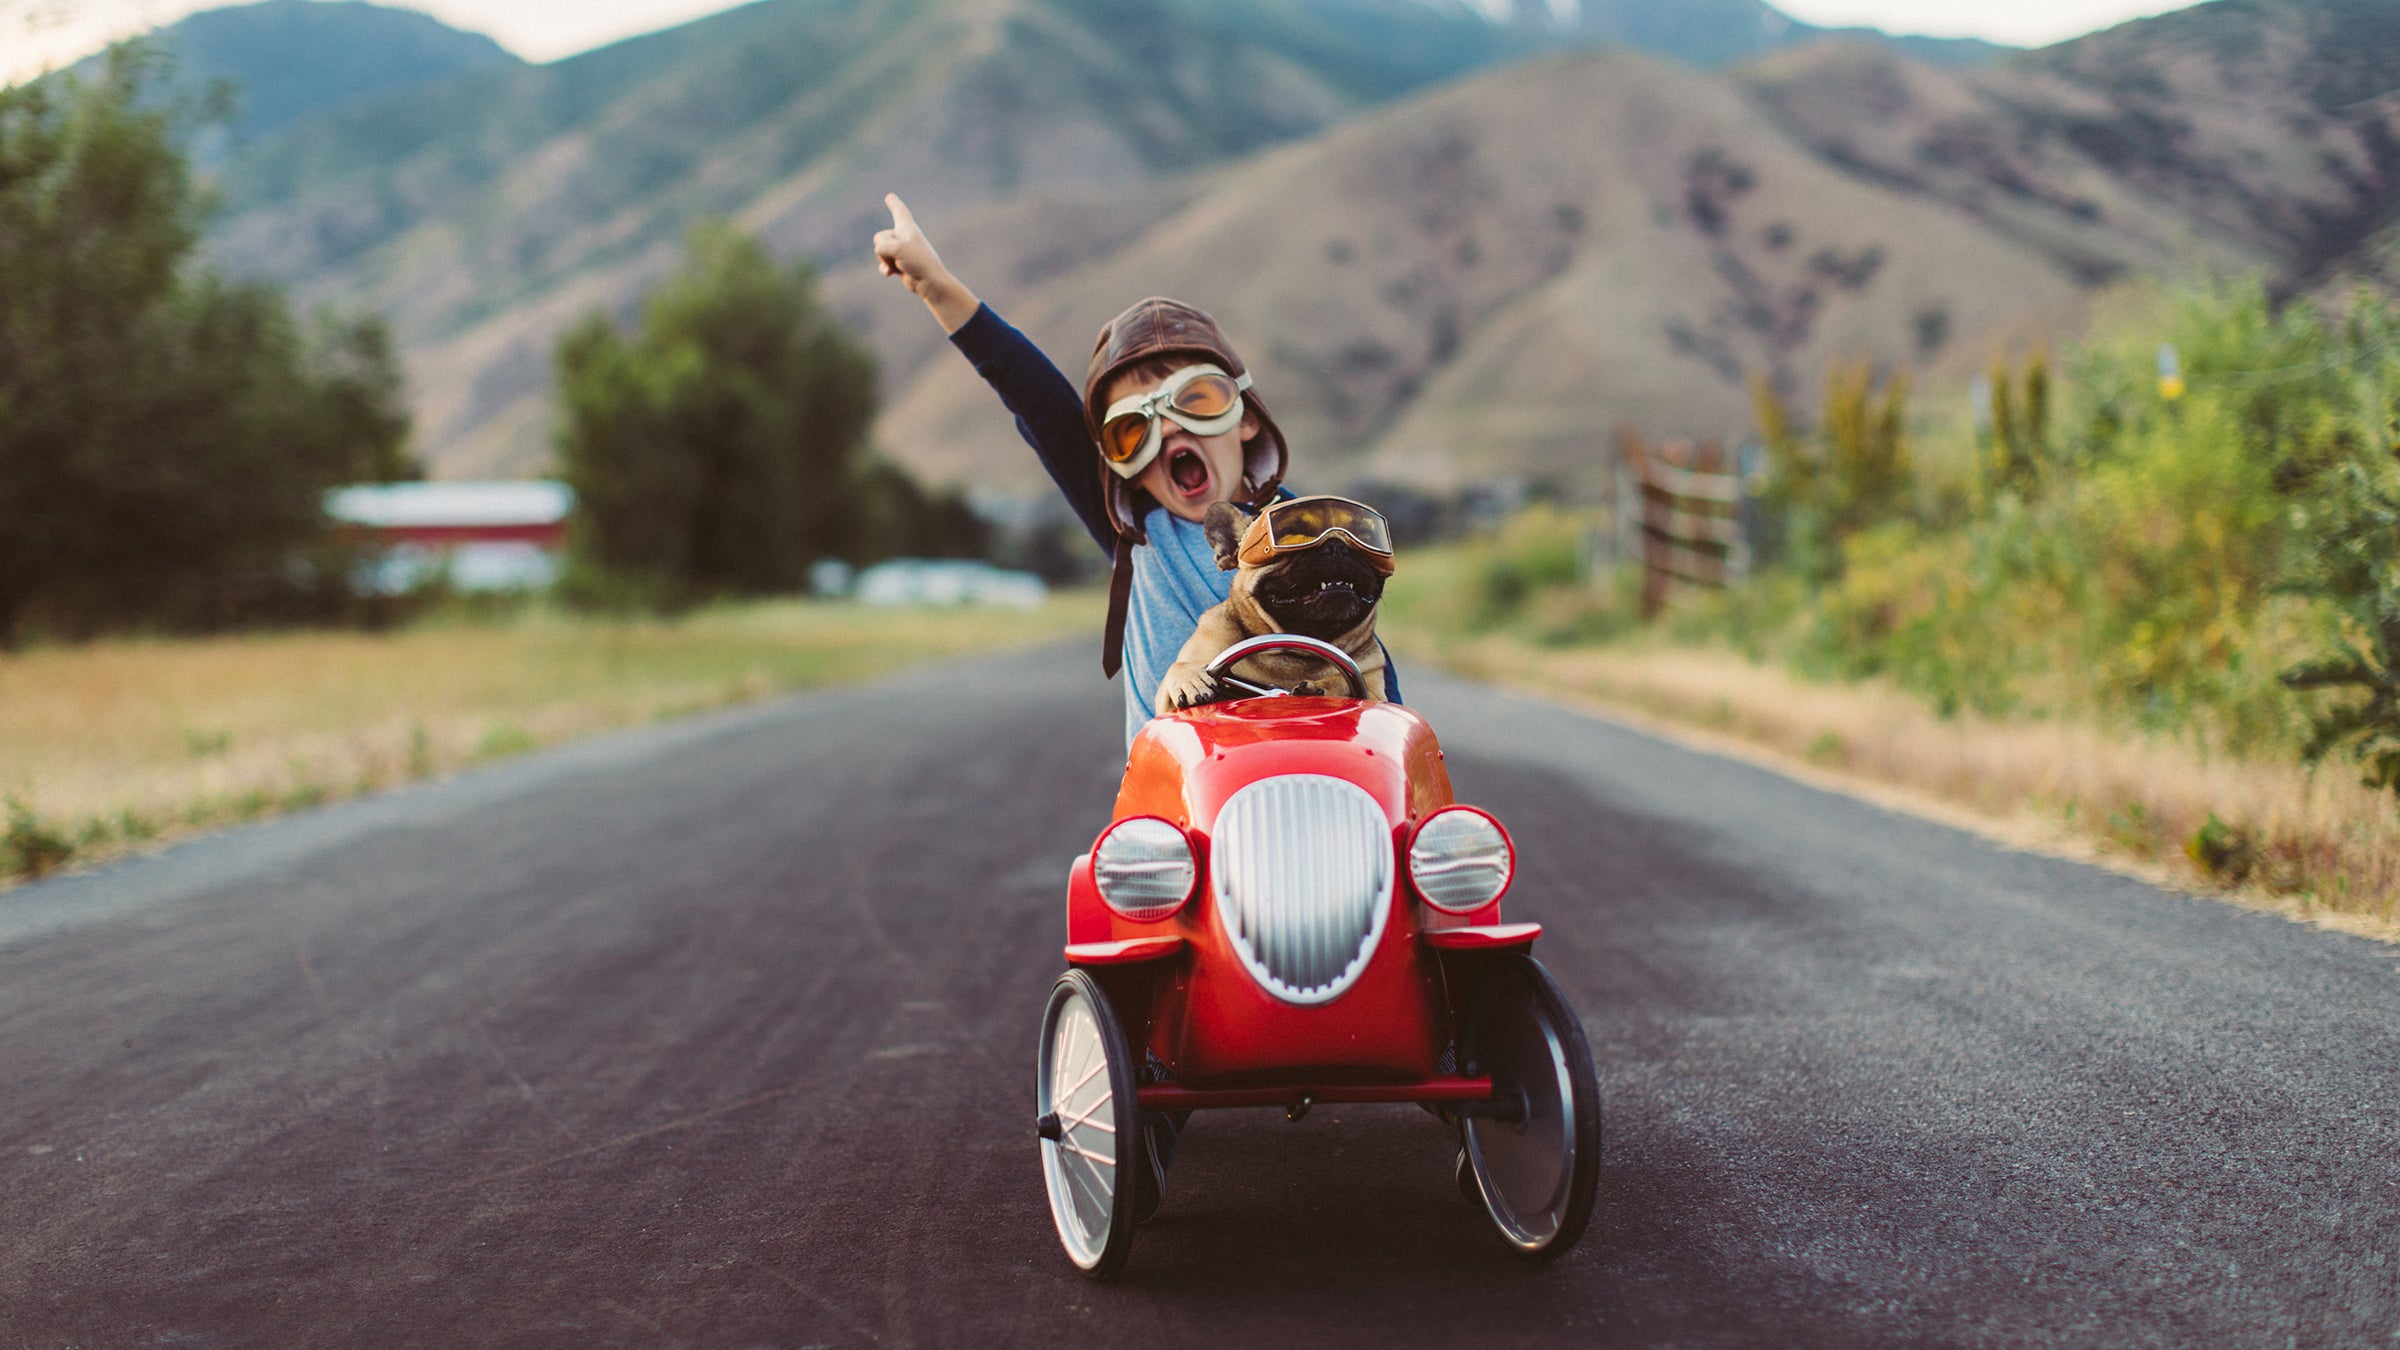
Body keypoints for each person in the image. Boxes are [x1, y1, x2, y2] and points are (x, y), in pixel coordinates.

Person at [870, 193, 1400, 747]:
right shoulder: (1139, 530)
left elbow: (1370, 672)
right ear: (1120, 465)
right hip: (1176, 810)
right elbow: (1039, 401)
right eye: (1132, 429)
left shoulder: (1310, 535)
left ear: (1246, 417)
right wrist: (936, 285)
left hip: (1316, 778)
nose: (1169, 430)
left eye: (1196, 400)